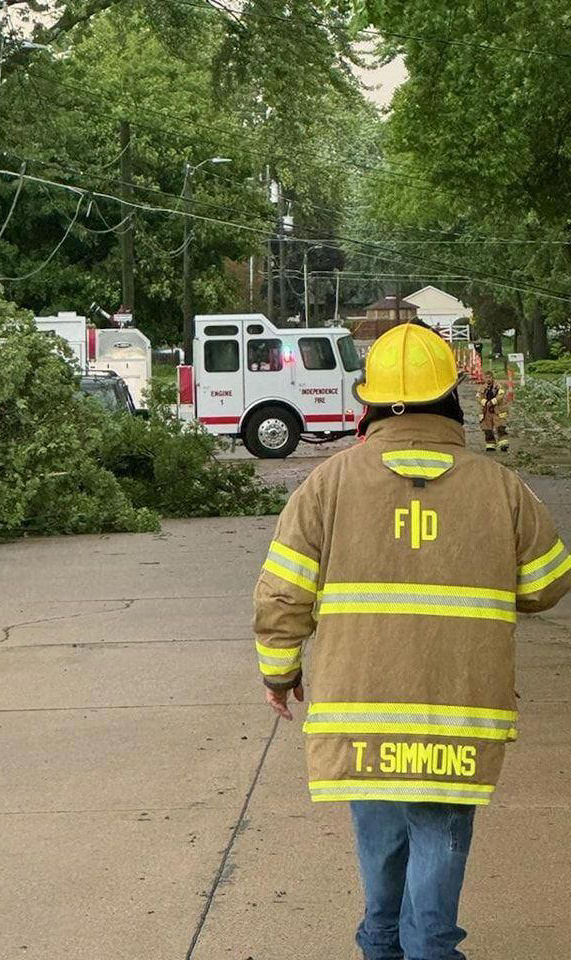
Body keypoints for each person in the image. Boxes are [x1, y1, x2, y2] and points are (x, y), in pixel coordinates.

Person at [253, 323, 571, 960]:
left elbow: (282, 596)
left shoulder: (327, 485)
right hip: (457, 708)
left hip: (361, 710)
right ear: (451, 397)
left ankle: (381, 946)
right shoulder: (501, 488)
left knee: (380, 838)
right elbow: (546, 585)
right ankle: (430, 950)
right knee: (439, 836)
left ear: (369, 403)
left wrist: (279, 674)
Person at [477, 370, 509, 452]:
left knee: (500, 427)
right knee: (487, 429)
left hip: (497, 410)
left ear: (492, 378)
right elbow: (478, 397)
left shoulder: (498, 386)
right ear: (484, 378)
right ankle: (490, 445)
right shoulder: (481, 388)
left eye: (489, 377)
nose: (488, 379)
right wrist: (485, 402)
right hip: (486, 411)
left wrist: (493, 401)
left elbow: (501, 395)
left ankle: (503, 444)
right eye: (486, 377)